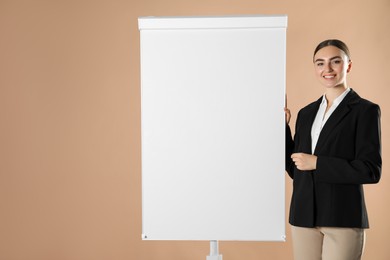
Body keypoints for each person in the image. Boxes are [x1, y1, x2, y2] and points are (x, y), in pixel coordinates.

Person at [285, 39, 382, 260]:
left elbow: (370, 170)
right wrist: (283, 129)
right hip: (303, 218)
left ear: (348, 66)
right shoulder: (306, 113)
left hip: (343, 217)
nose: (327, 69)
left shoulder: (365, 111)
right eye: (320, 63)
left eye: (335, 61)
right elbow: (296, 169)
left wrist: (318, 162)